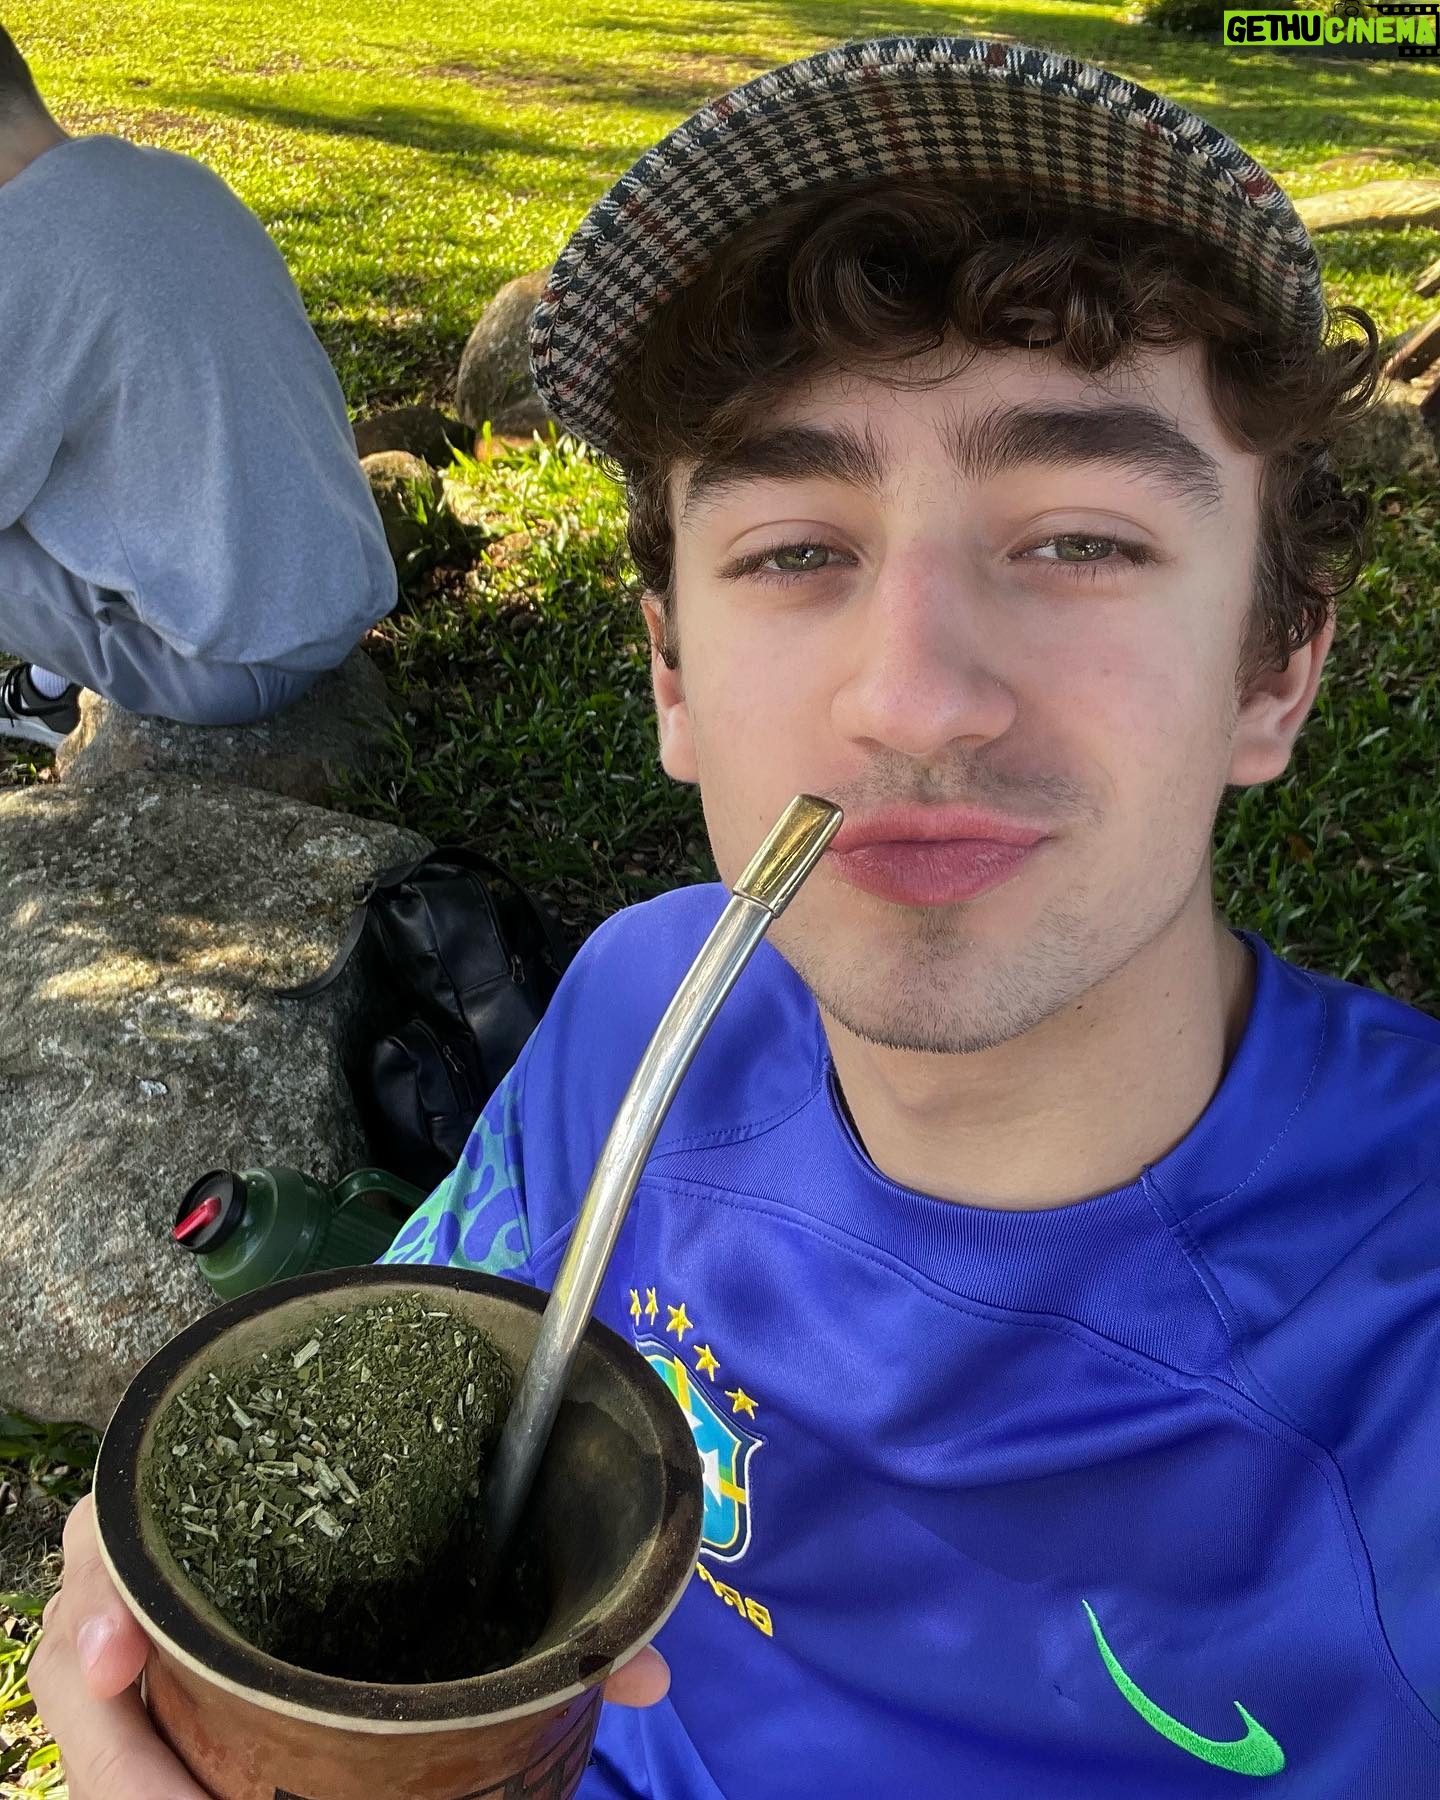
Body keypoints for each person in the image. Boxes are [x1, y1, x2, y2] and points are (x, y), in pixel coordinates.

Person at [31, 31, 1440, 1800]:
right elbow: (428, 1390)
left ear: (1276, 666)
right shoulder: (642, 999)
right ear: (673, 675)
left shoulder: (1402, 1371)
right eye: (794, 550)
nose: (913, 700)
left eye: (1080, 539)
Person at [0, 23, 396, 749]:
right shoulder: (181, 177)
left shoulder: (16, 248)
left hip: (228, 660)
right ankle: (50, 688)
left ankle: (61, 692)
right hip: (336, 589)